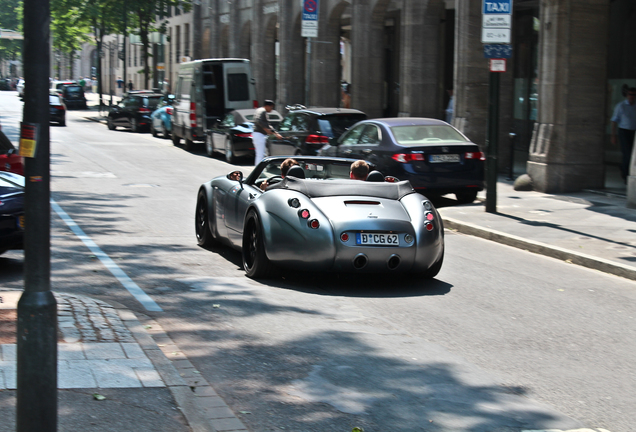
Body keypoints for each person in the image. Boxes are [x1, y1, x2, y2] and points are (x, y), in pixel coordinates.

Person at [611, 87, 636, 181]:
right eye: (630, 94)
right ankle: (626, 175)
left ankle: (623, 167)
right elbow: (614, 121)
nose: (632, 97)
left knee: (632, 155)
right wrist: (613, 135)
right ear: (627, 95)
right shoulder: (620, 106)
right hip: (624, 132)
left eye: (634, 95)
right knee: (627, 154)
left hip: (633, 132)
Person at [252, 100, 282, 165]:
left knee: (262, 154)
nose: (272, 109)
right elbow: (258, 120)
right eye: (271, 107)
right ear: (267, 106)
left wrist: (276, 133)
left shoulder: (261, 111)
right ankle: (258, 171)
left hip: (258, 135)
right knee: (260, 154)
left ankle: (260, 169)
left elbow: (268, 125)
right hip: (259, 134)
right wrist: (265, 129)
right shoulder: (262, 111)